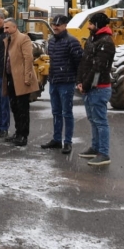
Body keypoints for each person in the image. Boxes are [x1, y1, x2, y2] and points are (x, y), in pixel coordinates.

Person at [76, 12, 116, 166]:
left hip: (99, 88)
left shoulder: (106, 42)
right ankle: (95, 148)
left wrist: (85, 84)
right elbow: (84, 62)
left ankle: (104, 153)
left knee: (100, 121)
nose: (88, 26)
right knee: (93, 120)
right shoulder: (93, 40)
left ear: (98, 25)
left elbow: (98, 68)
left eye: (91, 24)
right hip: (89, 87)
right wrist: (79, 81)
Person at [41, 14, 83, 154]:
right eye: (54, 25)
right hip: (54, 82)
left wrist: (78, 80)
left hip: (66, 82)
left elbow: (80, 62)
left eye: (58, 25)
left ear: (65, 25)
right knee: (56, 112)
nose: (55, 27)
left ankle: (68, 142)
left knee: (67, 113)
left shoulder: (72, 42)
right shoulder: (51, 42)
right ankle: (57, 140)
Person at [2, 18, 39, 146]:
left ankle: (23, 135)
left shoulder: (23, 38)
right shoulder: (8, 40)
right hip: (11, 78)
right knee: (15, 107)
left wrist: (27, 76)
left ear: (14, 27)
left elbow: (28, 58)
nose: (5, 30)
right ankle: (18, 133)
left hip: (21, 78)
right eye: (4, 28)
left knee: (22, 108)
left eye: (7, 27)